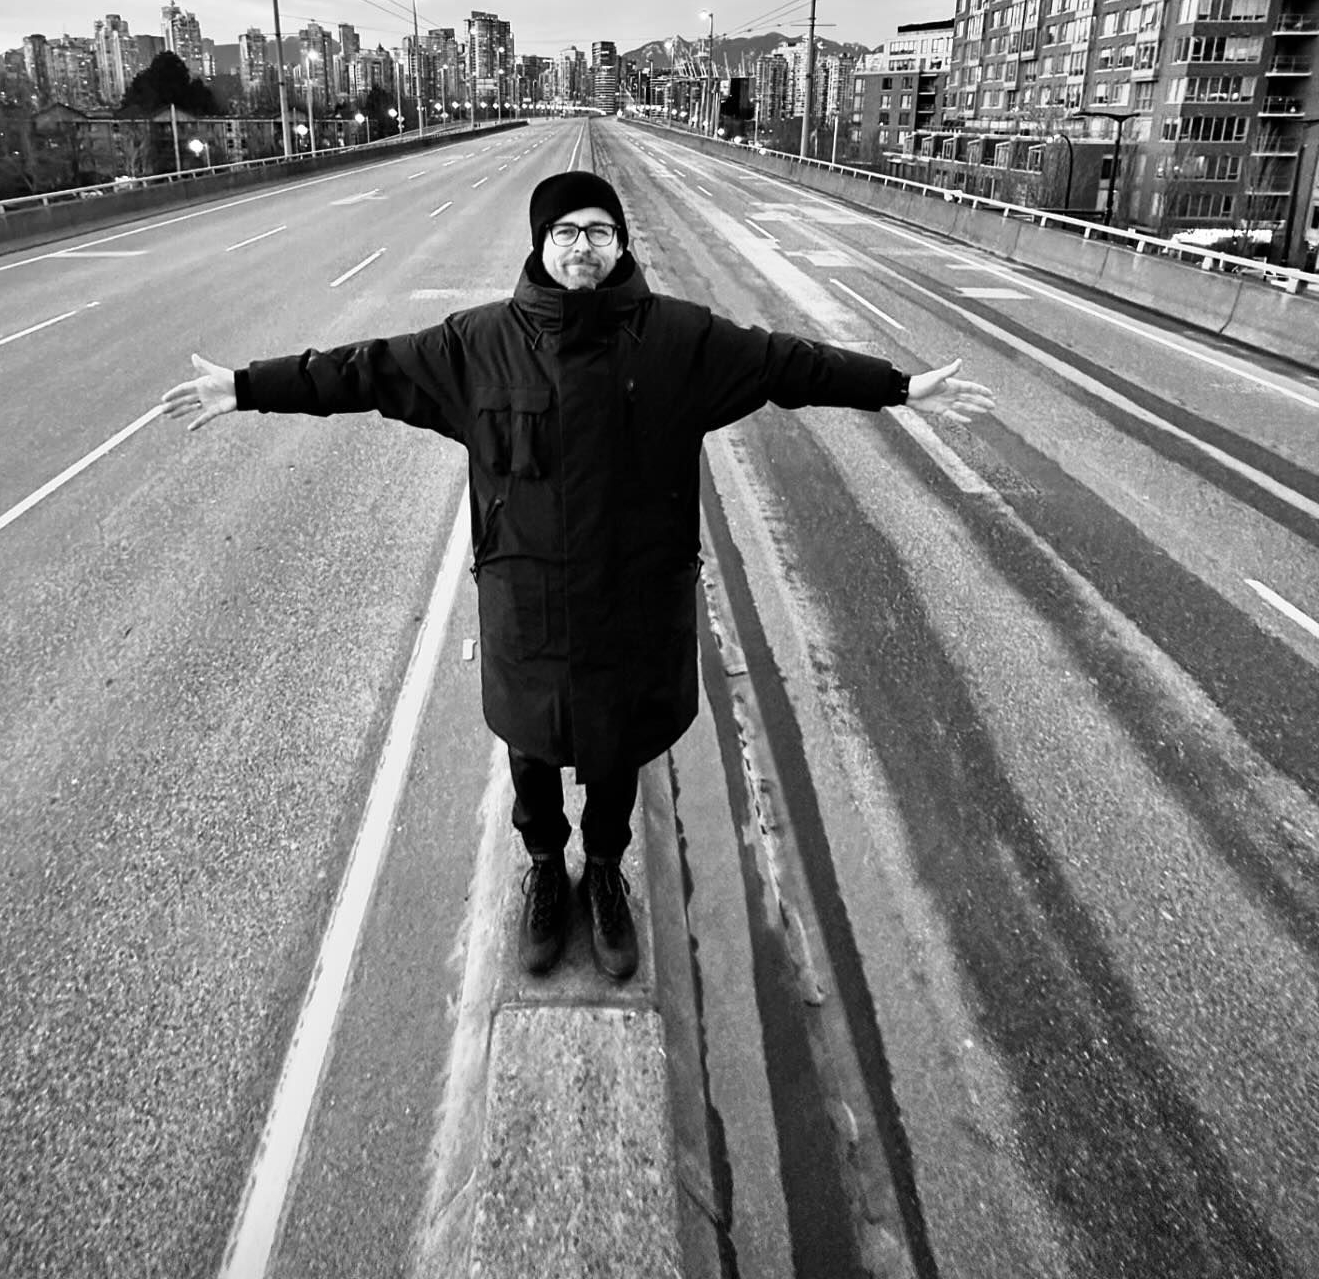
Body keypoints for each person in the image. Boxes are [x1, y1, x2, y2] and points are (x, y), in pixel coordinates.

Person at [160, 170, 994, 982]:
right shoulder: (476, 346)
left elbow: (789, 365)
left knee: (618, 748)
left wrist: (899, 388)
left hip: (637, 603)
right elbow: (362, 371)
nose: (582, 246)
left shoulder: (683, 341)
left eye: (599, 231)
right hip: (528, 606)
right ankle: (544, 870)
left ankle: (603, 872)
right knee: (531, 748)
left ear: (621, 244)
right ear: (541, 245)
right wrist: (247, 387)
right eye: (565, 232)